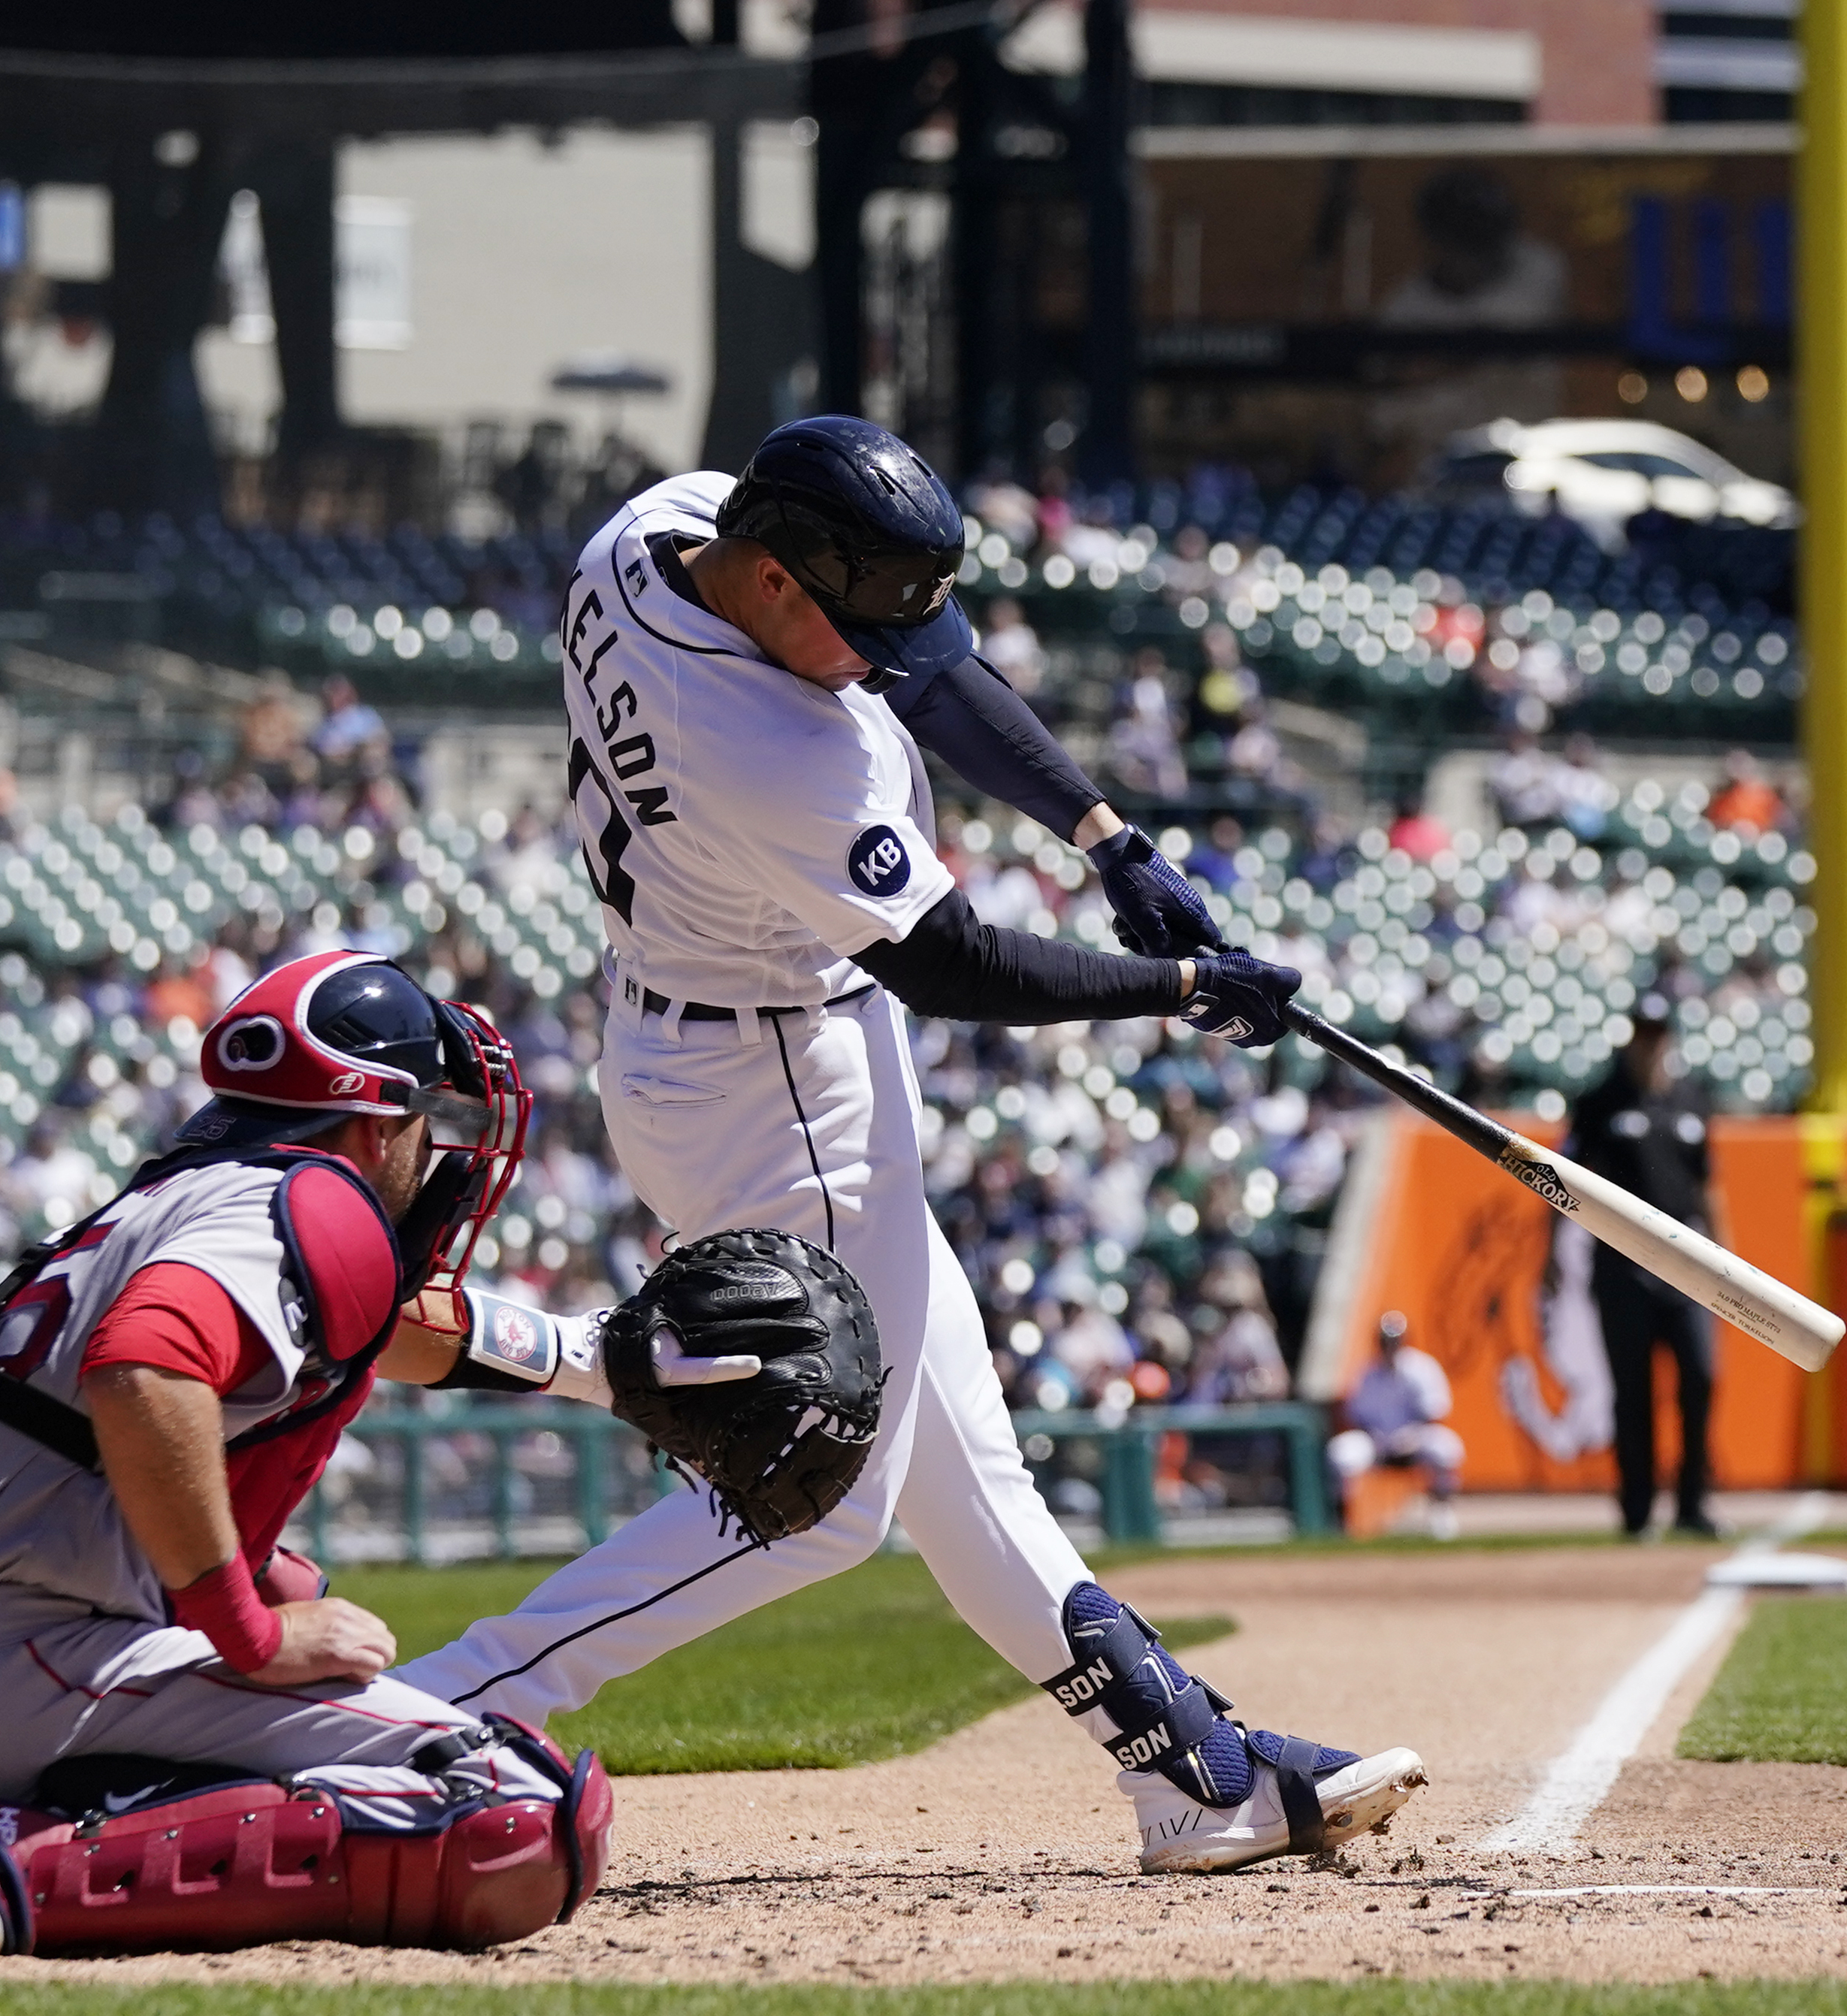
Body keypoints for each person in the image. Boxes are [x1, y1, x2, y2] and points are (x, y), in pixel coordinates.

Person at [394, 416, 1424, 1875]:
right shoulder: (765, 742)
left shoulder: (658, 532)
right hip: (777, 1081)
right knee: (818, 1494)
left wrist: (1106, 836)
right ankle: (434, 1707)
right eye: (855, 629)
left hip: (709, 1033)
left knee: (966, 1458)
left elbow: (930, 669)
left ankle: (1187, 1769)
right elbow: (945, 967)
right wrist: (1181, 987)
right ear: (767, 580)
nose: (882, 661)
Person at [0, 951, 701, 1957]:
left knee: (302, 1608)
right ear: (373, 1119)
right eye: (423, 1115)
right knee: (519, 1808)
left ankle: (38, 1832)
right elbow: (141, 1366)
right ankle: (13, 1871)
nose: (435, 1145)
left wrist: (259, 1577)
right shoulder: (307, 1201)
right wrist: (247, 1632)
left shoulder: (170, 1197)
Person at [1561, 996, 1719, 1540]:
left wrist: (1726, 1259)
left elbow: (1707, 1187)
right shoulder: (1599, 1101)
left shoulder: (1690, 1100)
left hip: (1690, 1262)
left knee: (1700, 1376)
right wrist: (1549, 1260)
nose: (1651, 1041)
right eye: (1643, 1031)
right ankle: (1636, 1509)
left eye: (1659, 1031)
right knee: (1632, 1389)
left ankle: (1694, 1503)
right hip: (1622, 1264)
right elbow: (1564, 1181)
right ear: (1629, 1035)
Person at [1328, 1313, 1463, 1539]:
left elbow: (1436, 1412)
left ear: (1404, 1340)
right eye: (1385, 1341)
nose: (1389, 1346)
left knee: (1446, 1447)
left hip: (1415, 1438)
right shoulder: (1368, 1372)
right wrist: (1375, 1437)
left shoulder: (1422, 1368)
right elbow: (1356, 1416)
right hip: (1377, 1441)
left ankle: (1442, 1514)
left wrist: (1412, 1437)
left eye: (1394, 1340)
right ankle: (1342, 1523)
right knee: (1341, 1453)